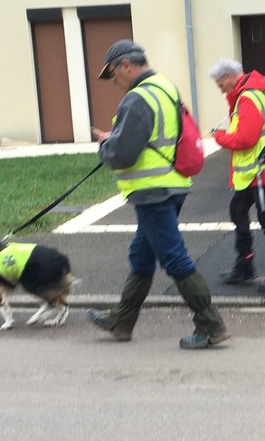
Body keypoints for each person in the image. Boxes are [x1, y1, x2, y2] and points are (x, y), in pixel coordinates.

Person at [87, 40, 230, 349]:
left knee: (173, 256)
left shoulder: (137, 97)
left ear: (125, 66)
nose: (114, 82)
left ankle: (211, 324)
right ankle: (122, 321)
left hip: (151, 190)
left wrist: (105, 144)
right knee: (142, 254)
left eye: (113, 74)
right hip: (172, 183)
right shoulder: (165, 87)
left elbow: (122, 154)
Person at [208, 58, 265, 293]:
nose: (221, 90)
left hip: (262, 171)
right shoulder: (252, 93)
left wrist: (219, 137)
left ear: (230, 76)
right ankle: (245, 267)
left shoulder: (248, 98)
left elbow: (245, 139)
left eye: (220, 85)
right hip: (256, 171)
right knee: (238, 209)